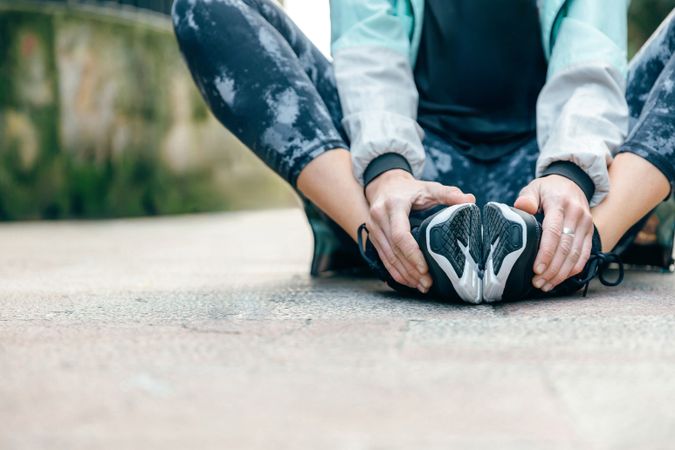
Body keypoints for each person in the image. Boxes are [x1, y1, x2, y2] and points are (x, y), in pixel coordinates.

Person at [171, 0, 675, 303]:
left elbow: (591, 61)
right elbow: (368, 54)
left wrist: (571, 176)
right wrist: (389, 173)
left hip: (543, 181)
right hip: (422, 181)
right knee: (207, 7)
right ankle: (384, 239)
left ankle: (580, 245)